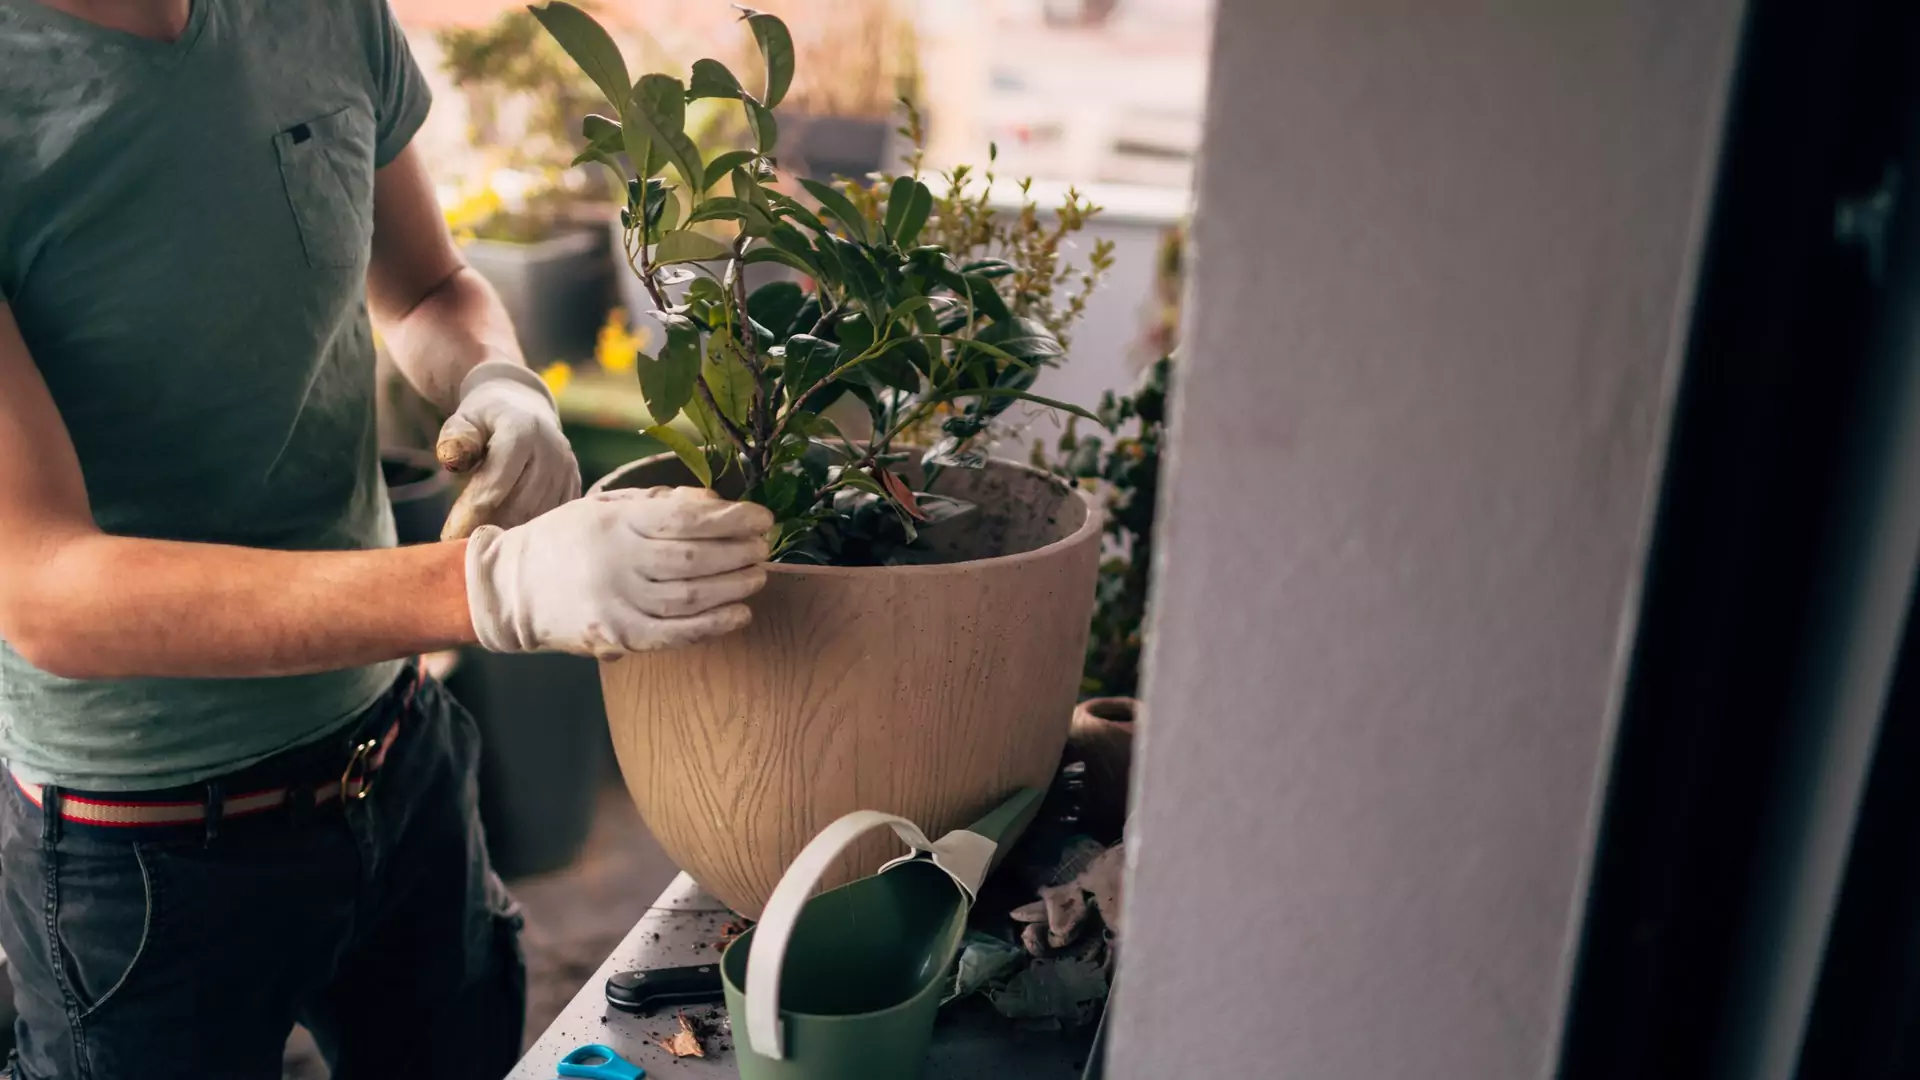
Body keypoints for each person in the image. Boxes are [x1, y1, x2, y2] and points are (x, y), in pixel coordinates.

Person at [0, 0, 773, 1076]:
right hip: (139, 856)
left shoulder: (324, 14)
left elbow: (423, 288)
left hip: (396, 762)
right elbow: (44, 590)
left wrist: (498, 383)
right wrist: (489, 589)